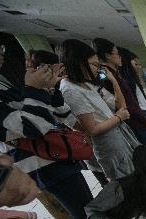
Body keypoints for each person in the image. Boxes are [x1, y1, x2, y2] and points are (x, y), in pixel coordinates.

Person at [0, 38, 93, 219]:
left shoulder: (0, 81)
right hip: (41, 160)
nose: (1, 51)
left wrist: (50, 89)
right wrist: (33, 89)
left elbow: (57, 116)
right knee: (85, 215)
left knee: (88, 209)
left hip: (55, 154)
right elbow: (31, 127)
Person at [59, 39, 140, 185]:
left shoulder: (87, 83)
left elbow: (120, 106)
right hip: (108, 145)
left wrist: (113, 81)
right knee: (127, 183)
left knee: (136, 175)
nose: (97, 69)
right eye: (94, 64)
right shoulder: (69, 89)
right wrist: (118, 118)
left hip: (119, 137)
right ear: (79, 63)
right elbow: (92, 129)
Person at [92, 38, 146, 145]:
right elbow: (126, 104)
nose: (120, 57)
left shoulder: (114, 74)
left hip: (137, 120)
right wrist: (144, 120)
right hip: (135, 123)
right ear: (107, 55)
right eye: (117, 53)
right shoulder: (108, 76)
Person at [117, 46, 146, 144]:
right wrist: (144, 120)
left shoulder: (134, 80)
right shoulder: (126, 81)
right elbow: (132, 105)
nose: (139, 67)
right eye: (136, 64)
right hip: (142, 117)